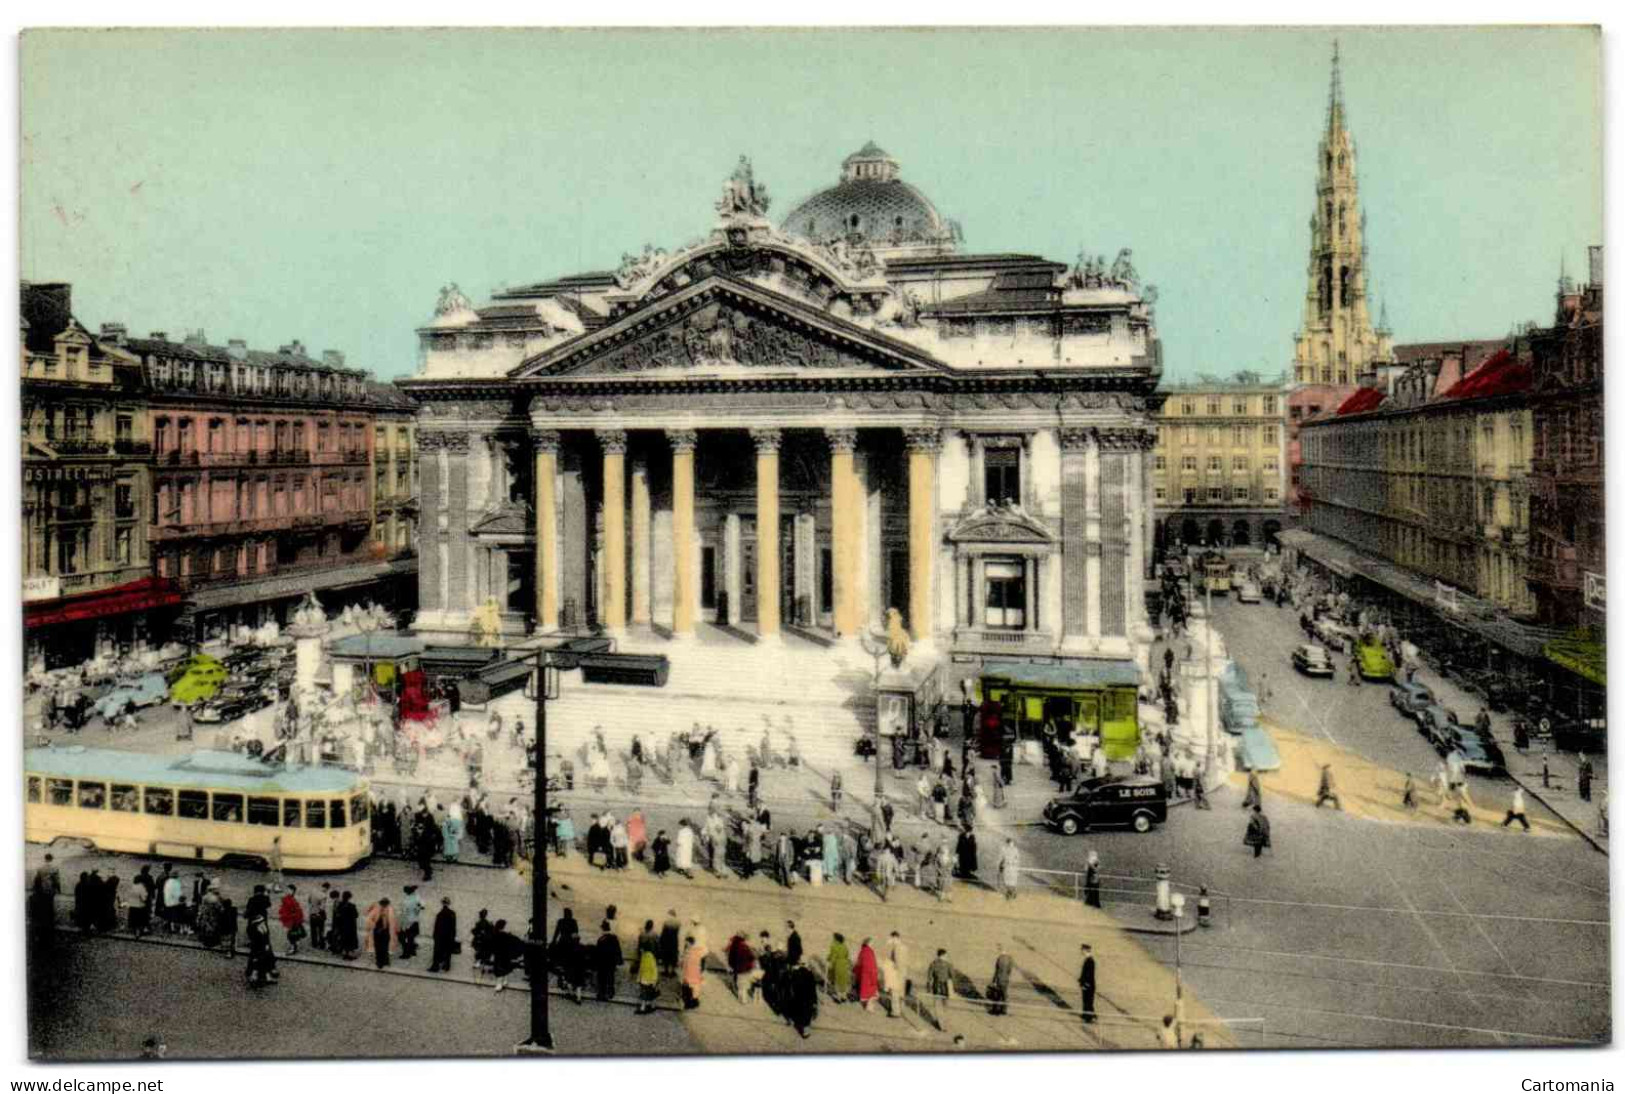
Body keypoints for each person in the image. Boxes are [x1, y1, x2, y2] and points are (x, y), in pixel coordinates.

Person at [244, 912, 279, 988]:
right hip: (258, 949)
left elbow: (266, 937)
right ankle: (253, 979)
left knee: (265, 963)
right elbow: (256, 942)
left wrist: (267, 946)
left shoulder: (262, 927)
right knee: (256, 964)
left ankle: (267, 978)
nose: (263, 922)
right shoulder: (254, 930)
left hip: (264, 948)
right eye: (261, 921)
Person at [926, 949, 955, 1031]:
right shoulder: (948, 964)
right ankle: (944, 1024)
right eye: (946, 955)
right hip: (946, 988)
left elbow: (929, 977)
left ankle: (940, 1024)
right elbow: (953, 977)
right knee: (945, 1006)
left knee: (937, 1006)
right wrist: (953, 989)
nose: (947, 957)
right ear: (943, 955)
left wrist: (928, 988)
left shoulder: (933, 964)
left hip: (936, 987)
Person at [365, 897, 398, 969]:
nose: (385, 906)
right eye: (383, 904)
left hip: (386, 930)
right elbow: (368, 919)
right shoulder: (376, 910)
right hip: (377, 931)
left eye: (386, 904)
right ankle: (379, 962)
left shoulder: (389, 910)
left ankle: (386, 960)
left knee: (385, 945)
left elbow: (393, 920)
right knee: (378, 947)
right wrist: (374, 926)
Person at [594, 920, 623, 1002]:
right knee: (610, 977)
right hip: (611, 962)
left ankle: (601, 994)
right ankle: (610, 993)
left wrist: (595, 964)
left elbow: (597, 953)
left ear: (603, 929)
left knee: (602, 979)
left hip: (602, 963)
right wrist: (619, 960)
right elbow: (618, 950)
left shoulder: (600, 939)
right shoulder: (614, 937)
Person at [428, 897, 458, 972]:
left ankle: (435, 966)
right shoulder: (452, 913)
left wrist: (434, 935)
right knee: (448, 952)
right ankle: (447, 966)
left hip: (440, 936)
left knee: (437, 951)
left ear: (442, 903)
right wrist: (453, 936)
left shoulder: (440, 914)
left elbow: (437, 926)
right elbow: (453, 926)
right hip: (449, 936)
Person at [489, 919, 519, 992]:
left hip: (500, 954)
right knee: (503, 967)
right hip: (503, 954)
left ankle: (500, 983)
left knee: (500, 968)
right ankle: (503, 982)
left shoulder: (496, 933)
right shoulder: (503, 934)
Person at [277, 885, 306, 956]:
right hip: (292, 920)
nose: (287, 891)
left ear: (293, 891)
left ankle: (293, 948)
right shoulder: (290, 899)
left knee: (291, 935)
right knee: (292, 935)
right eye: (287, 889)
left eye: (289, 890)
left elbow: (295, 910)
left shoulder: (291, 900)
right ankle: (294, 946)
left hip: (293, 920)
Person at [398, 884, 425, 959]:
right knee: (410, 938)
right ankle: (412, 950)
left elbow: (405, 912)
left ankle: (407, 953)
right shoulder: (416, 896)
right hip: (415, 921)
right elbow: (422, 905)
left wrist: (403, 925)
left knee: (403, 938)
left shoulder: (410, 900)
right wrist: (419, 908)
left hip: (408, 922)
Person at [680, 933, 707, 1010]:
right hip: (690, 973)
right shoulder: (694, 951)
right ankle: (692, 1002)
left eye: (687, 943)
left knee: (690, 988)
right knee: (691, 988)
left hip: (691, 973)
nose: (686, 945)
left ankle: (690, 1003)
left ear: (690, 943)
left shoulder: (692, 952)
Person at [854, 937, 881, 1012]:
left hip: (864, 976)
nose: (873, 945)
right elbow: (871, 966)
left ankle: (869, 1007)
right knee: (873, 994)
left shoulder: (862, 951)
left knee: (870, 994)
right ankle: (869, 1007)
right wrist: (874, 976)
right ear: (868, 943)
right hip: (869, 976)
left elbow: (859, 964)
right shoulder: (869, 952)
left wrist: (857, 973)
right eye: (872, 943)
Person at [988, 943, 1014, 1017]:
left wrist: (993, 981)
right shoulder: (1010, 958)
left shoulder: (1000, 958)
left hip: (999, 978)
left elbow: (996, 971)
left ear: (1000, 950)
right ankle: (1004, 1010)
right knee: (1004, 994)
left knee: (997, 994)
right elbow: (1009, 970)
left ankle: (995, 1010)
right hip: (1006, 979)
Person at [333, 892, 360, 959]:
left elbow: (337, 915)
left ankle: (345, 953)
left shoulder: (340, 905)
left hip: (342, 926)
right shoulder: (351, 906)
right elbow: (356, 915)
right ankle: (349, 954)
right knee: (350, 940)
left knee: (344, 939)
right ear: (349, 898)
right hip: (350, 926)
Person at [826, 933, 852, 1003]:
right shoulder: (844, 946)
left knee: (837, 980)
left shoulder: (834, 946)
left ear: (836, 939)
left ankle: (838, 997)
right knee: (843, 980)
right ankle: (844, 996)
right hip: (844, 964)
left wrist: (829, 961)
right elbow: (847, 955)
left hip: (837, 964)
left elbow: (833, 956)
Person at [634, 946, 660, 1015]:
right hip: (646, 979)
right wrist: (639, 978)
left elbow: (654, 970)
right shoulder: (644, 956)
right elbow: (641, 968)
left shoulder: (649, 957)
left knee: (645, 994)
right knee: (651, 994)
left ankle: (643, 1008)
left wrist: (654, 980)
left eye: (641, 949)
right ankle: (653, 1006)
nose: (640, 950)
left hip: (648, 980)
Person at [659, 910, 682, 976]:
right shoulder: (678, 922)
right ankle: (673, 971)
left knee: (666, 956)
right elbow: (678, 932)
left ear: (670, 915)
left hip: (667, 941)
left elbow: (663, 932)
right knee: (674, 956)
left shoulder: (666, 922)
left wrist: (661, 941)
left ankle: (666, 971)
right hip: (674, 941)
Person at [1078, 943, 1097, 1024]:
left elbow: (1089, 974)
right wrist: (1080, 979)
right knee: (1086, 1000)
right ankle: (1087, 1014)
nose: (1081, 951)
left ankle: (1089, 1017)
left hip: (1089, 984)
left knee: (1088, 1000)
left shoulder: (1090, 961)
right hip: (1087, 984)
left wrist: (1085, 984)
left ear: (1086, 950)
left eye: (1082, 950)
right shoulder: (1088, 960)